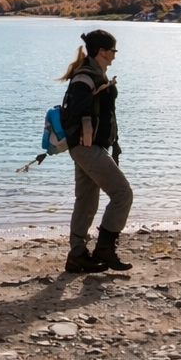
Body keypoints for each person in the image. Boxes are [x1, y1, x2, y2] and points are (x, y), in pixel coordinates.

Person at [59, 29, 133, 273]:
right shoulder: (86, 77)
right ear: (102, 51)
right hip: (86, 148)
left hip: (87, 147)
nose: (114, 55)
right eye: (113, 50)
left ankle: (77, 254)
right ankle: (105, 248)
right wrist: (89, 139)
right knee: (122, 193)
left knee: (87, 200)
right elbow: (77, 112)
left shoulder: (93, 73)